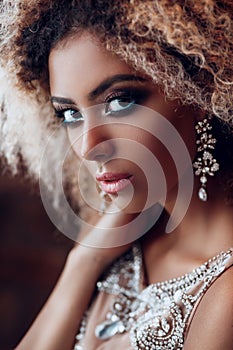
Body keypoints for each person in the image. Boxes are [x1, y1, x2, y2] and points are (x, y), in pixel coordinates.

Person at [0, 1, 233, 349]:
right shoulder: (119, 243)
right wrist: (84, 261)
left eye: (120, 101)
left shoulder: (226, 298)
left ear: (199, 90)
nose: (87, 147)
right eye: (69, 114)